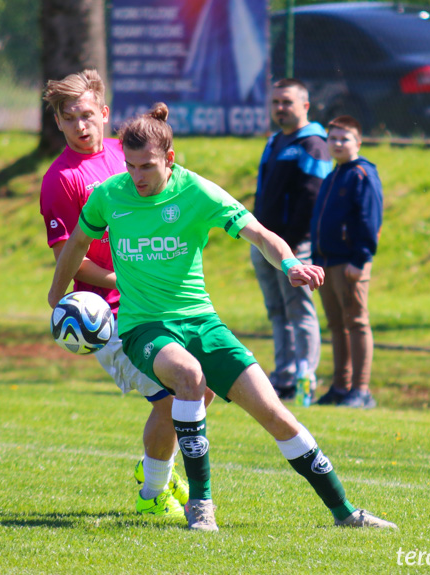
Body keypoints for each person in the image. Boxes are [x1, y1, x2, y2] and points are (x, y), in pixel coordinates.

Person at [48, 102, 397, 532]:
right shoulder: (109, 195)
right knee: (189, 377)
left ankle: (346, 512)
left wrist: (289, 264)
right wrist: (55, 294)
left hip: (202, 323)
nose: (137, 177)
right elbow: (77, 243)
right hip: (144, 328)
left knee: (277, 415)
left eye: (147, 167)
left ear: (170, 159)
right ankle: (201, 505)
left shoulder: (196, 192)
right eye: (131, 166)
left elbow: (260, 234)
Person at [39, 69, 215, 518]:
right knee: (177, 394)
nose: (81, 125)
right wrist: (122, 279)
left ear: (104, 112)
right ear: (58, 123)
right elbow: (71, 258)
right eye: (69, 117)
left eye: (86, 114)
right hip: (112, 313)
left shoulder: (127, 154)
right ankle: (153, 494)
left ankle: (154, 471)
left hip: (160, 303)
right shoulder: (61, 180)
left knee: (202, 389)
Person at [251, 78, 332, 401]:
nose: (280, 108)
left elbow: (312, 198)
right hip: (264, 244)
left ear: (305, 106)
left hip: (294, 247)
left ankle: (304, 377)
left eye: (287, 102)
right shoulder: (275, 142)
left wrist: (295, 247)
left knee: (299, 311)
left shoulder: (313, 144)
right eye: (275, 103)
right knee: (276, 310)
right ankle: (283, 377)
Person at [311, 116, 384, 408]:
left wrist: (361, 257)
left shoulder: (362, 174)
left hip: (350, 263)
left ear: (358, 142)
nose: (338, 143)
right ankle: (340, 387)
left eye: (345, 138)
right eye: (333, 138)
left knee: (356, 322)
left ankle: (361, 390)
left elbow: (370, 219)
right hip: (327, 263)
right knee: (336, 325)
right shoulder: (333, 175)